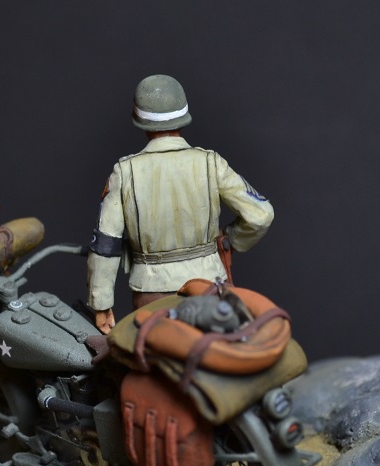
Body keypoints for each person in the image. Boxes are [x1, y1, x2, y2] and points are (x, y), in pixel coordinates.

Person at [87, 74, 274, 334]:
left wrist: (101, 303)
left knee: (149, 353)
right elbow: (261, 215)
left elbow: (106, 244)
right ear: (183, 117)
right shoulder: (211, 163)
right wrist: (231, 239)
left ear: (141, 122)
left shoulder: (125, 172)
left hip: (151, 291)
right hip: (209, 285)